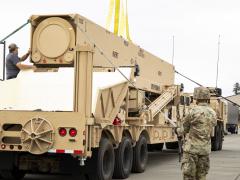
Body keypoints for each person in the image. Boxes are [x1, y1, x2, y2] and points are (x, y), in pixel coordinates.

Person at [177, 87, 217, 180]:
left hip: (192, 151)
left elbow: (183, 129)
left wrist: (177, 130)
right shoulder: (213, 113)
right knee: (202, 176)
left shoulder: (193, 111)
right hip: (205, 151)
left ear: (196, 97)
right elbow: (212, 125)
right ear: (207, 97)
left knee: (189, 177)